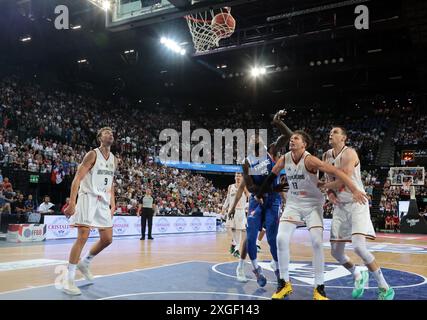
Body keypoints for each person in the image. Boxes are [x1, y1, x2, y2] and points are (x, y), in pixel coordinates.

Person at [256, 130, 368, 300]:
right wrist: (260, 192)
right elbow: (272, 175)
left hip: (312, 205)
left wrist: (354, 190)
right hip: (293, 204)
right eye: (291, 138)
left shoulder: (310, 160)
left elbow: (338, 172)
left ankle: (319, 288)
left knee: (316, 242)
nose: (292, 140)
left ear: (304, 144)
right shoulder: (285, 158)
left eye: (296, 138)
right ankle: (284, 283)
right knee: (281, 239)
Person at [322, 126, 394, 300]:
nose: (331, 134)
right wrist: (329, 194)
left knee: (359, 247)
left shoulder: (349, 153)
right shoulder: (325, 155)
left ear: (344, 138)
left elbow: (341, 181)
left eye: (335, 132)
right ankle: (357, 275)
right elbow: (328, 180)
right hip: (340, 206)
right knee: (336, 253)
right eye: (330, 132)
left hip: (357, 203)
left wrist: (323, 186)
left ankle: (385, 287)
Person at [229, 110, 291, 287]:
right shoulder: (247, 162)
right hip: (257, 199)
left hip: (272, 200)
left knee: (272, 238)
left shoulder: (271, 151)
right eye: (253, 140)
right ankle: (255, 269)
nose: (257, 140)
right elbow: (248, 187)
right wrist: (261, 193)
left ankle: (279, 270)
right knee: (250, 236)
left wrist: (277, 121)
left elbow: (288, 135)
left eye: (259, 139)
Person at [62, 127, 117, 296]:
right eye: (106, 133)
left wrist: (113, 203)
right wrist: (72, 203)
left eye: (112, 133)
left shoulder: (114, 159)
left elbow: (111, 183)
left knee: (107, 239)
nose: (110, 135)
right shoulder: (92, 154)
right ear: (100, 137)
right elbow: (77, 178)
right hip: (88, 197)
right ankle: (69, 279)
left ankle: (85, 262)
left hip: (103, 200)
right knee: (83, 236)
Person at [222, 172, 249, 258]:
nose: (237, 177)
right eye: (236, 176)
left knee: (239, 230)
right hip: (231, 210)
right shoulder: (230, 187)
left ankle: (236, 249)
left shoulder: (244, 187)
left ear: (242, 177)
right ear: (234, 177)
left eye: (239, 176)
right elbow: (228, 198)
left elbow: (249, 197)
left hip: (240, 210)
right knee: (231, 229)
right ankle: (234, 243)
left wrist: (247, 206)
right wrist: (224, 207)